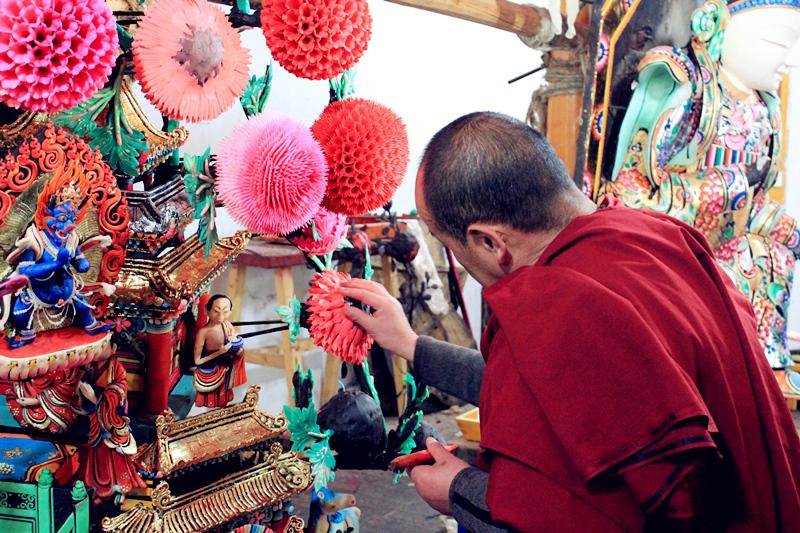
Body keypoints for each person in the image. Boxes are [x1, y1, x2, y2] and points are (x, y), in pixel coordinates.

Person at [341, 112, 800, 532]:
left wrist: (458, 488)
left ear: (488, 241)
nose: (455, 258)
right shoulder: (656, 237)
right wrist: (408, 343)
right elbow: (559, 391)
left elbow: (572, 517)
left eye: (448, 244)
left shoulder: (559, 303)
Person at [193, 294, 246, 408]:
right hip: (210, 368)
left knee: (223, 401)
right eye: (216, 311)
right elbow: (197, 361)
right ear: (207, 310)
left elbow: (234, 341)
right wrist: (219, 352)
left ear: (231, 311)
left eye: (225, 311)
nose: (221, 316)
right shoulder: (204, 332)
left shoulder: (227, 325)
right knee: (211, 402)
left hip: (225, 367)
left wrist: (239, 351)